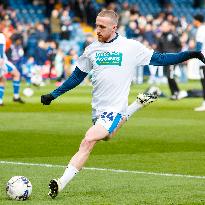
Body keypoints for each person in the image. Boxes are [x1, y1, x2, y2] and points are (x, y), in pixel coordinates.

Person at [41, 10, 205, 198]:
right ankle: (136, 105)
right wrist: (53, 95)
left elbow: (161, 58)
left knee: (88, 140)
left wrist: (190, 54)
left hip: (113, 110)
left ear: (114, 27)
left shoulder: (130, 47)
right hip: (98, 110)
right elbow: (77, 77)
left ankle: (60, 183)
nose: (98, 30)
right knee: (107, 136)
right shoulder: (92, 49)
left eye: (102, 27)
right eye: (96, 26)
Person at [157, 21, 187, 100]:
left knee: (170, 75)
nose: (163, 28)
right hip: (164, 59)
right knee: (167, 76)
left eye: (164, 26)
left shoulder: (173, 35)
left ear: (168, 27)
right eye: (162, 26)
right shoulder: (161, 37)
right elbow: (159, 48)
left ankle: (177, 92)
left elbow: (179, 46)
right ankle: (173, 93)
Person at [0, 32, 24, 106]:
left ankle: (0, 100)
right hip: (2, 61)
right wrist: (1, 59)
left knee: (2, 79)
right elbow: (0, 48)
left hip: (3, 60)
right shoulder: (1, 36)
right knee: (16, 74)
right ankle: (16, 96)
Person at [193, 14, 205, 111]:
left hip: (203, 61)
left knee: (204, 82)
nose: (193, 22)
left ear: (197, 21)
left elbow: (199, 45)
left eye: (194, 20)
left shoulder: (200, 30)